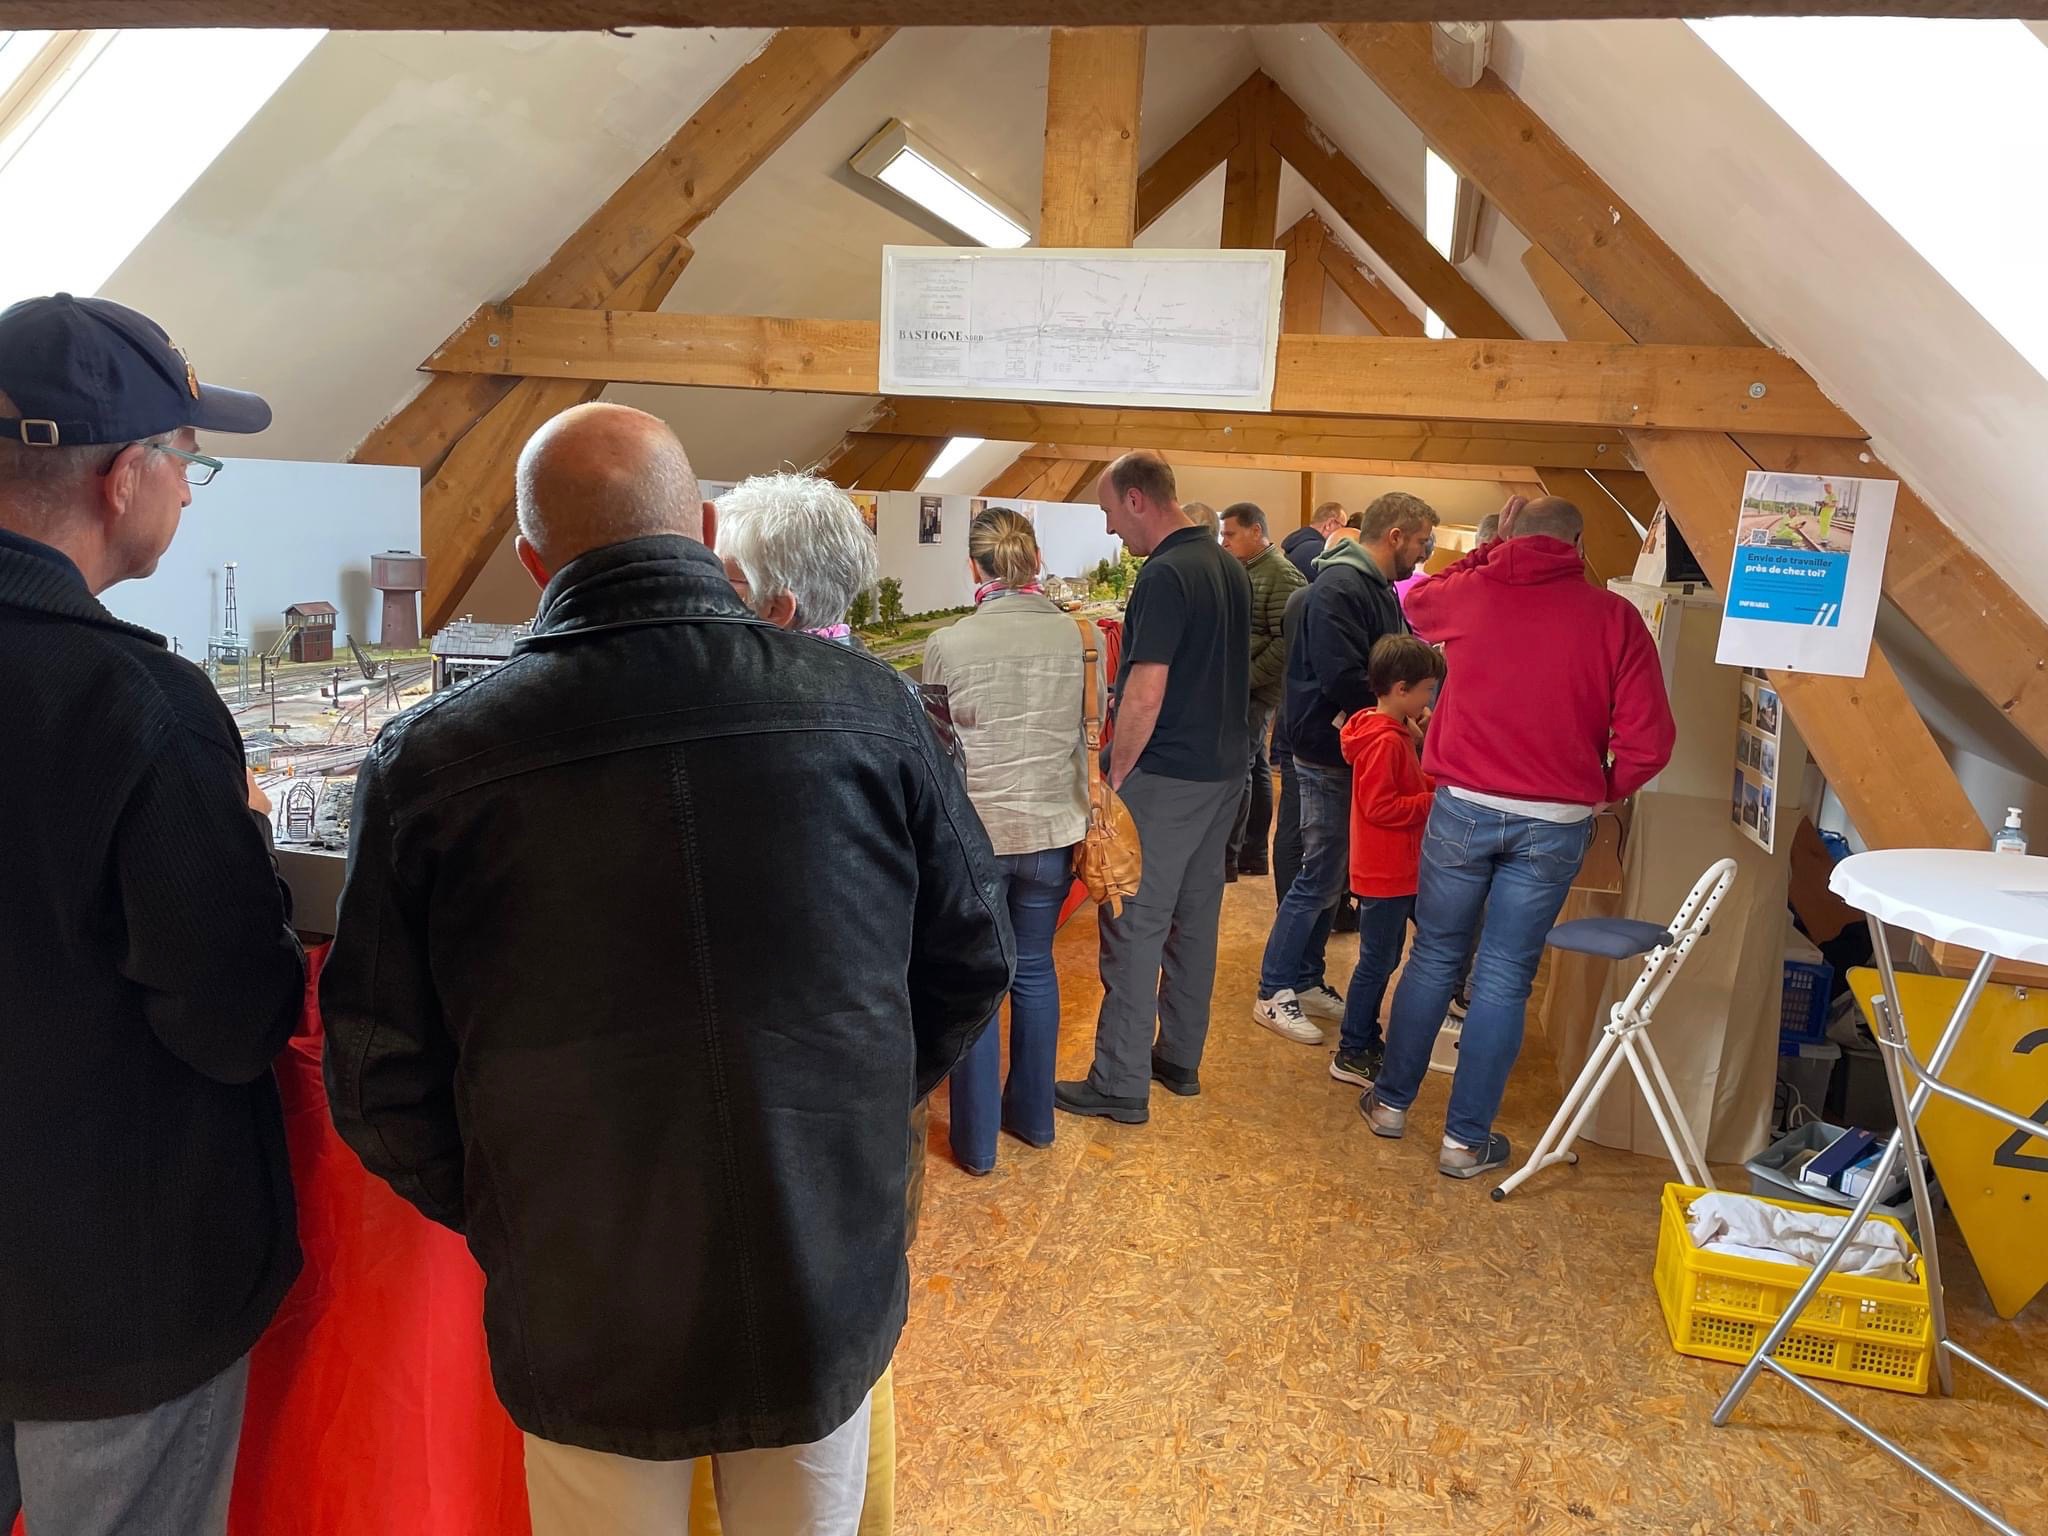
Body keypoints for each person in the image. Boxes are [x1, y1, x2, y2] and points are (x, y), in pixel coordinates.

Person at [321, 404, 1013, 1535]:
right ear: (700, 528)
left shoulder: (434, 763)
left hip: (583, 1290)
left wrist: (508, 1202)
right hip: (815, 1254)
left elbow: (375, 1071)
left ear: (532, 560)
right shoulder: (863, 709)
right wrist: (848, 1117)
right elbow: (972, 955)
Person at [0, 295, 305, 1535]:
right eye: (187, 459)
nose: (188, 487)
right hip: (108, 1297)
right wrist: (243, 846)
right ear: (122, 478)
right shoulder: (141, 707)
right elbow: (232, 1019)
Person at [1363, 497, 1675, 1180]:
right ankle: (1463, 1143)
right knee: (1505, 975)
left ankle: (1389, 1105)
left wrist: (1488, 550)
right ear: (1579, 543)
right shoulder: (1615, 618)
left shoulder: (1473, 591)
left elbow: (1415, 602)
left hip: (1464, 806)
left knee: (1433, 956)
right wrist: (1602, 787)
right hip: (1556, 820)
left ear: (1508, 536)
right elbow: (1650, 742)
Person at [1057, 452, 1250, 1124]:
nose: (1111, 528)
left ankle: (1119, 1081)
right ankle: (1178, 1058)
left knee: (1133, 926)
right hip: (1223, 771)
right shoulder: (1225, 563)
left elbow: (1145, 690)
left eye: (1110, 511)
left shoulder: (1165, 574)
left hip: (1167, 777)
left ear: (1137, 499)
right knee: (1193, 924)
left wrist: (1114, 778)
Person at [923, 507, 1090, 1175]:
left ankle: (977, 1142)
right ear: (1035, 560)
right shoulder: (1074, 635)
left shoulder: (950, 641)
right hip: (1051, 828)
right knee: (1036, 969)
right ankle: (1035, 1120)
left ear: (975, 565)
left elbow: (935, 747)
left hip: (978, 836)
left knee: (980, 979)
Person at [1254, 492, 1439, 1045]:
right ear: (1396, 536)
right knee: (1318, 875)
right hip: (1325, 750)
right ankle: (1273, 989)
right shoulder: (1340, 587)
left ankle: (1306, 977)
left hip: (1351, 746)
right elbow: (1344, 677)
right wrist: (1402, 718)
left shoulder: (1373, 586)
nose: (1424, 553)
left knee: (1331, 876)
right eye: (1423, 542)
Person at [1330, 636, 1444, 1087]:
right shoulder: (1384, 742)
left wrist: (1433, 777)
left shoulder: (1392, 733)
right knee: (1376, 963)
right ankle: (1352, 1049)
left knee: (1385, 958)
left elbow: (1409, 783)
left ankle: (1365, 1037)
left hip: (1396, 870)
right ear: (1401, 689)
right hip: (1385, 871)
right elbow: (1381, 806)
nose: (1429, 699)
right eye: (1426, 689)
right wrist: (1433, 802)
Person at [1220, 501, 1305, 882]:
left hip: (1258, 690)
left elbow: (1285, 643)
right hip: (1250, 686)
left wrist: (1246, 677)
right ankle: (1251, 853)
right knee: (1254, 765)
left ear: (1256, 531)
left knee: (1240, 767)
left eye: (1231, 534)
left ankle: (1230, 858)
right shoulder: (1250, 569)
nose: (1225, 542)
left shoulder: (1281, 574)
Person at [1283, 499, 1347, 580]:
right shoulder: (1319, 550)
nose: (1343, 533)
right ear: (1329, 524)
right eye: (1343, 527)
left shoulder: (1297, 544)